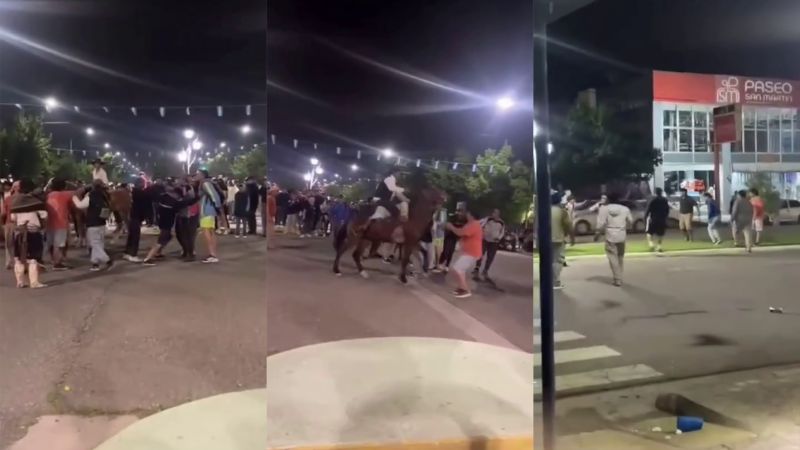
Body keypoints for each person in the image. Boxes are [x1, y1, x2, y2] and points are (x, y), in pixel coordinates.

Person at [9, 179, 48, 288]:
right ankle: (34, 282)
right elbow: (44, 216)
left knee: (19, 257)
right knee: (33, 258)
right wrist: (43, 227)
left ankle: (20, 281)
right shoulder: (36, 201)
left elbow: (13, 218)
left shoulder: (15, 201)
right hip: (33, 232)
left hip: (19, 233)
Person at [72, 179, 113, 271]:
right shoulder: (104, 195)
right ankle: (95, 263)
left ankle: (108, 261)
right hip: (102, 223)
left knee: (94, 244)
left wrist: (74, 198)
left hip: (92, 224)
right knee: (99, 243)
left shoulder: (90, 196)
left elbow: (80, 205)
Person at [596, 192, 633, 287]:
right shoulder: (625, 209)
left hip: (610, 235)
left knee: (613, 257)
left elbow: (600, 224)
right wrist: (625, 227)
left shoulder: (604, 209)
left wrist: (597, 234)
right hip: (621, 234)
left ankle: (617, 278)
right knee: (620, 257)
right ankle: (619, 276)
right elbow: (631, 221)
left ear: (608, 199)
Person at [445, 208, 483, 298]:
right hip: (469, 251)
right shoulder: (471, 224)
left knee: (457, 268)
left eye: (467, 214)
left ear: (471, 215)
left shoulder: (475, 224)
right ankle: (461, 288)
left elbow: (461, 233)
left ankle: (465, 289)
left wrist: (451, 227)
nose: (466, 215)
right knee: (461, 269)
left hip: (472, 252)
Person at [44, 178, 75, 270]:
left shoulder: (48, 195)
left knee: (50, 243)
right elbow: (72, 205)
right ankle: (57, 264)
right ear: (64, 186)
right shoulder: (67, 195)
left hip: (49, 222)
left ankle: (49, 260)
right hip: (61, 222)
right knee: (60, 244)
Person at [196, 169, 223, 262]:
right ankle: (213, 254)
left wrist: (217, 206)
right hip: (210, 211)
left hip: (206, 211)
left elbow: (214, 195)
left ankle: (212, 254)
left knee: (207, 231)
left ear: (203, 175)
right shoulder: (207, 183)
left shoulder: (205, 184)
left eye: (198, 174)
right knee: (211, 231)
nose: (196, 175)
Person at [123, 177, 150, 262]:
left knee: (131, 236)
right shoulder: (140, 193)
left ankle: (127, 253)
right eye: (142, 183)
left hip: (133, 216)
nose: (143, 185)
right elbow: (146, 200)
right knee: (135, 237)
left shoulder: (133, 192)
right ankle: (133, 254)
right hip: (136, 217)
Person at [473, 208, 505, 280]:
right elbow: (479, 223)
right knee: (480, 254)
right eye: (494, 213)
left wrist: (498, 238)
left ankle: (485, 270)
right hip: (485, 240)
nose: (494, 214)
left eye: (496, 213)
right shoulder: (487, 219)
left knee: (490, 257)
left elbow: (502, 232)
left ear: (498, 214)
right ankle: (477, 268)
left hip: (494, 242)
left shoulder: (501, 222)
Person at [550, 193, 573, 290]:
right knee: (558, 260)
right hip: (558, 238)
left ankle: (549, 280)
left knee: (550, 260)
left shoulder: (545, 211)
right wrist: (571, 237)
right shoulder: (562, 212)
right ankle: (555, 282)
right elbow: (568, 225)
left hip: (546, 239)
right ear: (559, 201)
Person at [645, 187, 670, 253]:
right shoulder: (665, 200)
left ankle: (651, 245)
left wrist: (646, 217)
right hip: (662, 219)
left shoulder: (653, 200)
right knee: (660, 234)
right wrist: (666, 217)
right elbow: (667, 210)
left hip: (654, 219)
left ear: (655, 193)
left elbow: (649, 209)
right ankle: (659, 247)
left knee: (649, 233)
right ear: (661, 192)